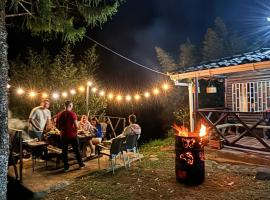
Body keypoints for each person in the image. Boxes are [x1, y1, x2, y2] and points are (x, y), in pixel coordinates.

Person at [56, 100, 85, 171]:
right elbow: (76, 126)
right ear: (70, 106)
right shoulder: (72, 114)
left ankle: (66, 167)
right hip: (72, 135)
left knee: (64, 151)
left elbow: (57, 126)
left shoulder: (59, 114)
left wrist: (62, 130)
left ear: (64, 106)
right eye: (72, 106)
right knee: (77, 150)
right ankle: (80, 164)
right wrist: (78, 127)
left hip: (63, 135)